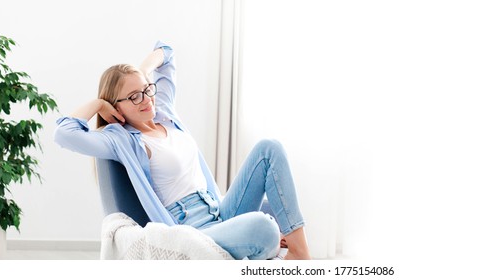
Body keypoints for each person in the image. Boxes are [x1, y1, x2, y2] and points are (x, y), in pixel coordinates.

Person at [54, 41, 310, 260]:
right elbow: (64, 134)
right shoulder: (120, 140)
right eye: (134, 97)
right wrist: (98, 103)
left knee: (269, 148)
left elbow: (166, 50)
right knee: (262, 227)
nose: (146, 99)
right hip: (191, 229)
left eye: (146, 90)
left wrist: (142, 73)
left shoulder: (164, 113)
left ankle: (301, 256)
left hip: (220, 211)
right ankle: (271, 244)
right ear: (116, 108)